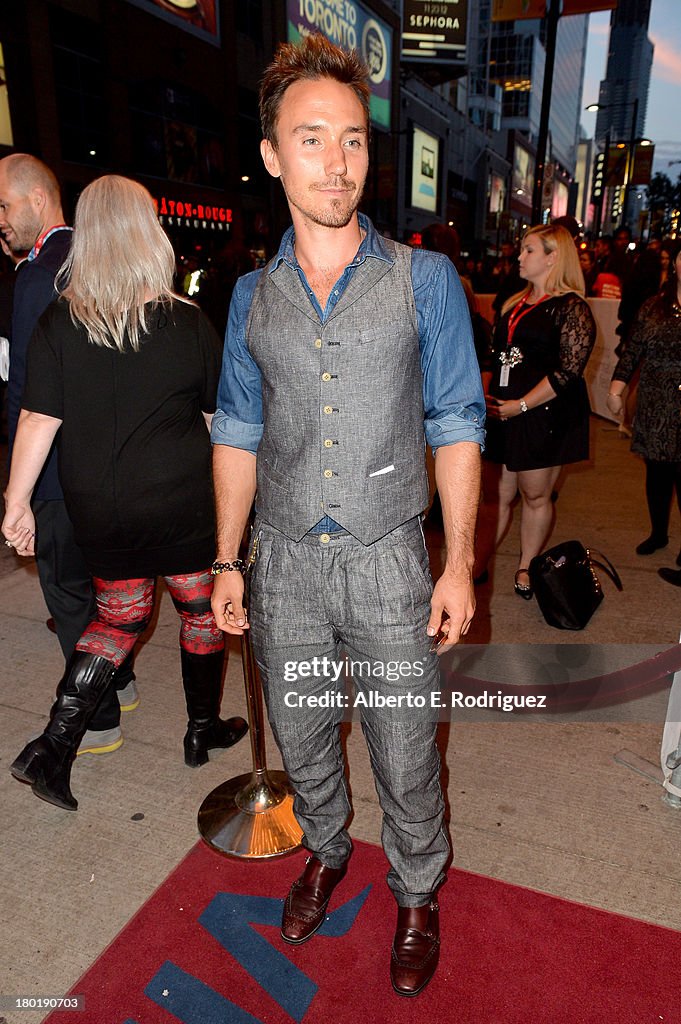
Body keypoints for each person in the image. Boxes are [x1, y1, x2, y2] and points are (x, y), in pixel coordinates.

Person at [210, 35, 484, 997]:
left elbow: (456, 422)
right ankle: (326, 849)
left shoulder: (424, 280)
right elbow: (237, 433)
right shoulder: (250, 297)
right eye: (312, 139)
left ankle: (416, 891)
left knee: (408, 745)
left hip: (387, 560)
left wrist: (454, 565)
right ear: (274, 156)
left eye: (354, 141)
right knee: (303, 732)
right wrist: (226, 560)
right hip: (281, 561)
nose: (339, 162)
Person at [3, 175, 247, 811]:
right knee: (198, 609)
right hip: (180, 500)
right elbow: (218, 422)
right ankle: (201, 730)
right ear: (149, 232)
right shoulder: (186, 322)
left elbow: (37, 419)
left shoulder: (59, 321)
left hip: (101, 507)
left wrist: (15, 502)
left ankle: (53, 748)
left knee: (118, 617)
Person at [0, 153, 138, 755]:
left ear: (36, 200)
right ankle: (121, 679)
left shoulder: (37, 277)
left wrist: (17, 493)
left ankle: (100, 715)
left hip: (56, 471)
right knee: (110, 588)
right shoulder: (104, 257)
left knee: (71, 594)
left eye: (4, 206)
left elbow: (28, 393)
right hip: (112, 465)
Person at [474, 224, 596, 597]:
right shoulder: (513, 304)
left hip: (544, 416)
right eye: (522, 250)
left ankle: (526, 566)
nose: (519, 257)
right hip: (503, 412)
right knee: (497, 495)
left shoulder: (573, 308)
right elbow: (496, 357)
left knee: (535, 495)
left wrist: (522, 405)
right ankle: (476, 564)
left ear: (552, 257)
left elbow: (567, 372)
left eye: (528, 250)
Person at [607, 239, 681, 579]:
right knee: (657, 474)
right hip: (654, 403)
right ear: (675, 264)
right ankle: (658, 533)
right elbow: (633, 350)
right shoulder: (654, 306)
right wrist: (617, 388)